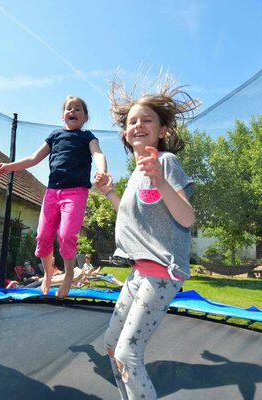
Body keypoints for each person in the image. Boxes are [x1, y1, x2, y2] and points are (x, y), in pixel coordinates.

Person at [95, 73, 199, 400]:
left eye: (146, 120)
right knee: (112, 348)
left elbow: (187, 217)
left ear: (162, 130)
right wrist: (111, 193)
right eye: (131, 121)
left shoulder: (164, 162)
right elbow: (130, 217)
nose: (137, 124)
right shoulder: (138, 174)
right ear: (125, 134)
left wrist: (163, 182)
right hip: (139, 272)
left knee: (129, 354)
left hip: (164, 272)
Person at [0, 96, 108, 298]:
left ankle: (68, 274)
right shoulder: (55, 136)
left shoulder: (87, 137)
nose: (72, 111)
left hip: (76, 192)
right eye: (68, 108)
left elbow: (98, 153)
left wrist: (102, 171)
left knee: (65, 236)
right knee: (43, 236)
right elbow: (32, 159)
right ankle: (48, 274)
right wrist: (8, 167)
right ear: (62, 115)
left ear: (85, 117)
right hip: (52, 192)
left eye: (77, 109)